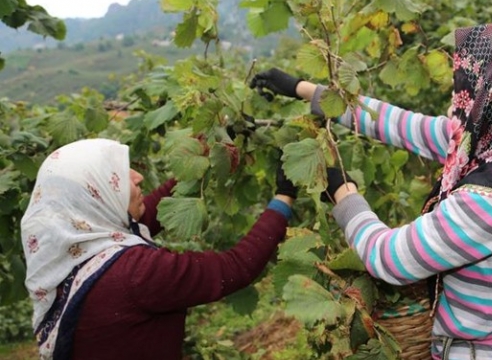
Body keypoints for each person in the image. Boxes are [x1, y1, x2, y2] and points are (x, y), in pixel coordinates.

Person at [250, 23, 492, 359]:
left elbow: (390, 259)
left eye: (484, 80)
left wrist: (343, 193)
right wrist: (305, 90)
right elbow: (401, 125)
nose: (473, 89)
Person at [20, 138, 298, 360]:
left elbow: (148, 215)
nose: (138, 176)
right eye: (118, 176)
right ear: (98, 195)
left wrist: (204, 151)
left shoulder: (71, 246)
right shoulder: (136, 274)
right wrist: (283, 197)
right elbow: (235, 267)